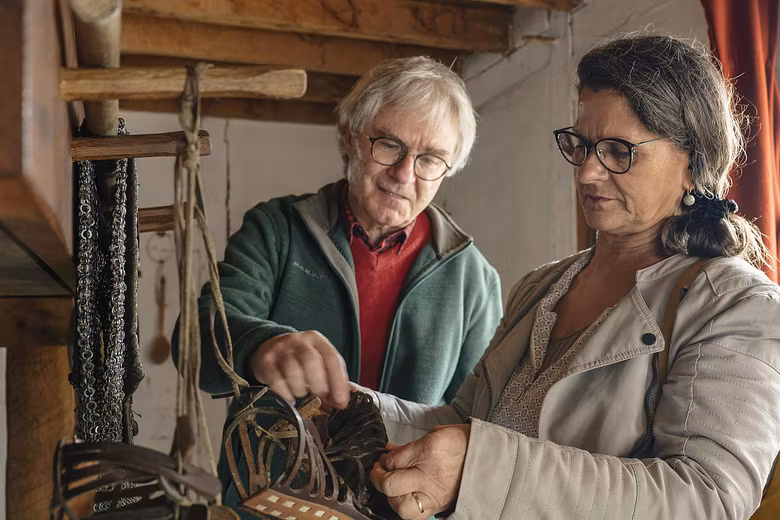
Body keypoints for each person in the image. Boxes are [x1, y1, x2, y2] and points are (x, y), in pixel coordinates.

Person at [353, 34, 780, 519]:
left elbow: (705, 499)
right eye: (582, 145)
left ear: (692, 163)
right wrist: (350, 407)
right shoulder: (542, 288)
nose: (587, 173)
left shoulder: (737, 306)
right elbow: (459, 424)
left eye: (618, 151)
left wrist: (480, 469)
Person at [174, 56, 502, 512]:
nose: (404, 174)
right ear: (350, 137)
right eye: (389, 145)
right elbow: (194, 339)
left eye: (429, 159)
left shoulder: (475, 280)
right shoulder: (277, 230)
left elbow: (478, 428)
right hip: (268, 504)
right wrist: (261, 346)